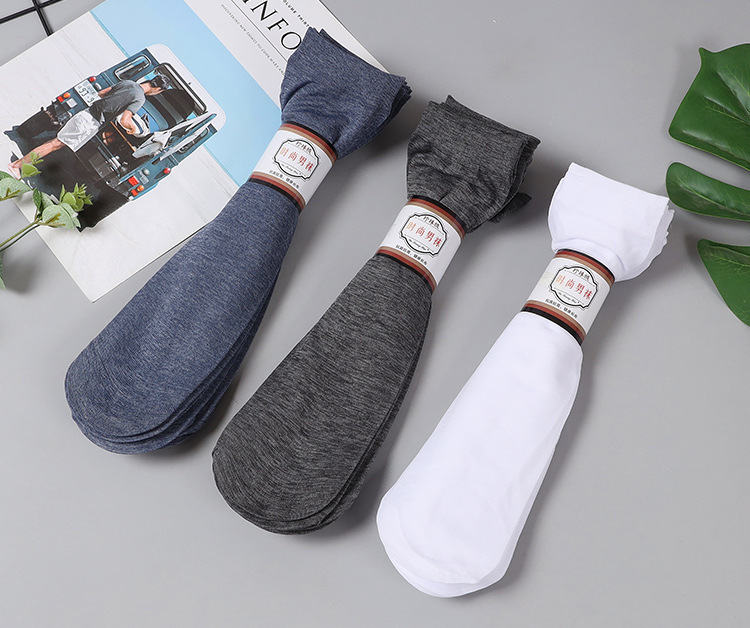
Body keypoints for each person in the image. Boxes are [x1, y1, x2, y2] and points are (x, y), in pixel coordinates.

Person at [6, 74, 171, 178]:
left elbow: (102, 93)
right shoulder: (140, 98)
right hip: (90, 122)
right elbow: (124, 120)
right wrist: (133, 130)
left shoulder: (128, 83)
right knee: (53, 145)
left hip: (85, 113)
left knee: (55, 144)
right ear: (158, 89)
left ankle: (19, 165)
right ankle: (16, 166)